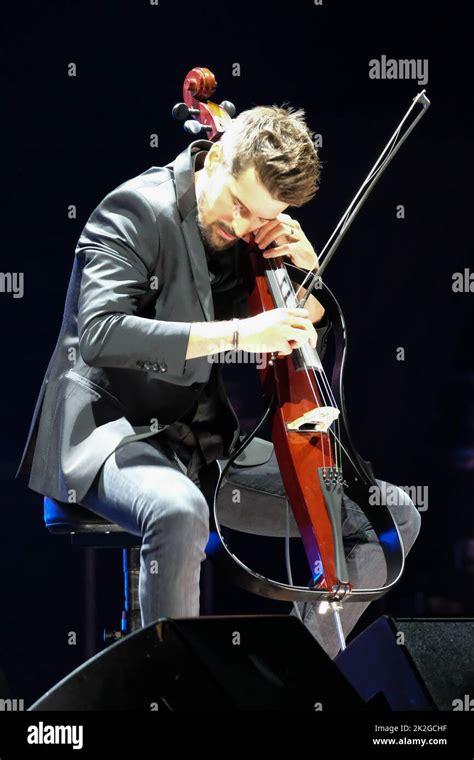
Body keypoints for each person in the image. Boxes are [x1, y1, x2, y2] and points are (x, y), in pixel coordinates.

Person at [16, 105, 421, 659]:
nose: (245, 226)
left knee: (392, 515)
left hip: (201, 447)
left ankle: (299, 675)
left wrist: (307, 278)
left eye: (262, 217)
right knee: (179, 511)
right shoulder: (136, 207)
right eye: (238, 204)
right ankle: (171, 690)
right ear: (218, 156)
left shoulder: (248, 237)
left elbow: (293, 346)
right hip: (109, 432)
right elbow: (101, 334)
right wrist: (237, 334)